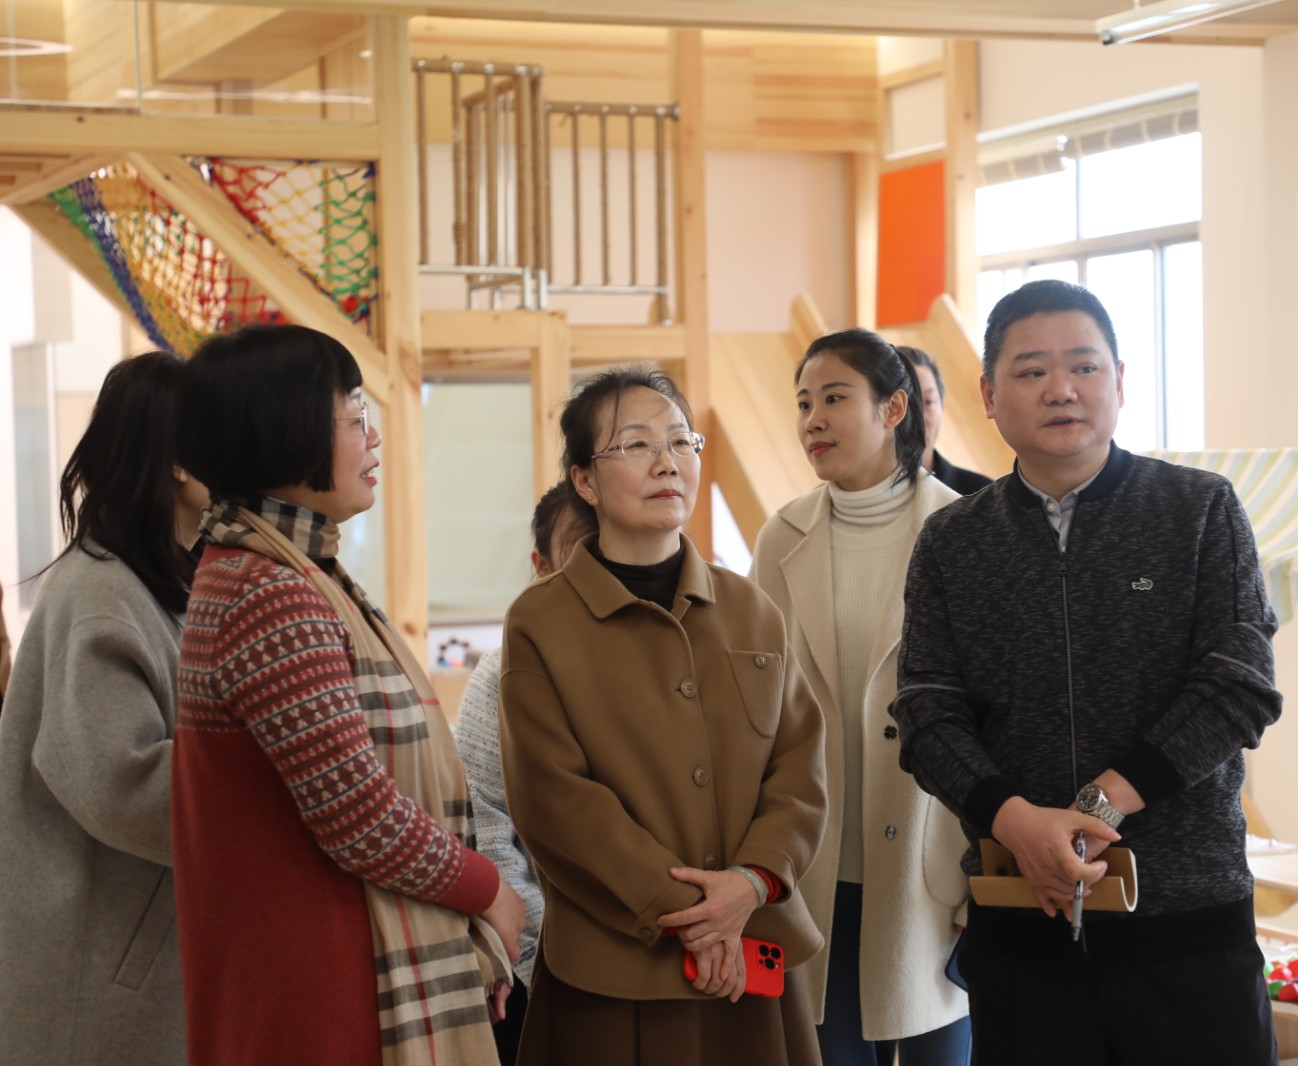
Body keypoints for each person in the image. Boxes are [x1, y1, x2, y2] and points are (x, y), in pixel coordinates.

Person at [892, 280, 1283, 1065]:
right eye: (1032, 371)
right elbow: (927, 714)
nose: (1061, 389)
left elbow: (1239, 684)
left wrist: (1096, 805)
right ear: (989, 395)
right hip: (1022, 929)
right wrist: (1018, 825)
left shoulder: (1199, 510)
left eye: (1084, 366)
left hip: (1187, 930)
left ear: (1120, 381)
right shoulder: (952, 541)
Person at [171, 324, 523, 1065]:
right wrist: (488, 889)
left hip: (316, 969)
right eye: (356, 417)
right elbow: (357, 815)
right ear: (284, 429)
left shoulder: (279, 569)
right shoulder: (269, 591)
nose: (374, 438)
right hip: (320, 986)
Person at [499, 366, 827, 1066]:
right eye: (636, 444)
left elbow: (798, 768)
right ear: (585, 481)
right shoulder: (540, 621)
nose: (667, 461)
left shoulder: (751, 608)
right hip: (616, 967)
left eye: (681, 441)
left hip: (752, 948)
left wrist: (750, 883)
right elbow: (556, 801)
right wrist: (696, 918)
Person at [750, 329, 971, 1066]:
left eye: (835, 398)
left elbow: (995, 716)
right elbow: (760, 709)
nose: (813, 419)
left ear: (894, 408)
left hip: (933, 864)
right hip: (814, 867)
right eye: (803, 403)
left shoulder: (963, 530)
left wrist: (984, 871)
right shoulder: (781, 538)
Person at [0, 352, 206, 1065]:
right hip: (99, 976)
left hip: (128, 961)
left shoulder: (157, 579)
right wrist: (276, 763)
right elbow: (122, 786)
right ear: (179, 461)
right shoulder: (101, 592)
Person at [453, 479, 598, 1065]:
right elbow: (487, 831)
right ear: (541, 566)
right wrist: (545, 953)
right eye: (583, 551)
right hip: (540, 968)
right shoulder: (502, 676)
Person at [897, 345, 992, 496]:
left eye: (928, 402)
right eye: (906, 403)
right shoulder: (859, 493)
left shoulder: (982, 494)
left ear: (941, 407)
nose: (917, 416)